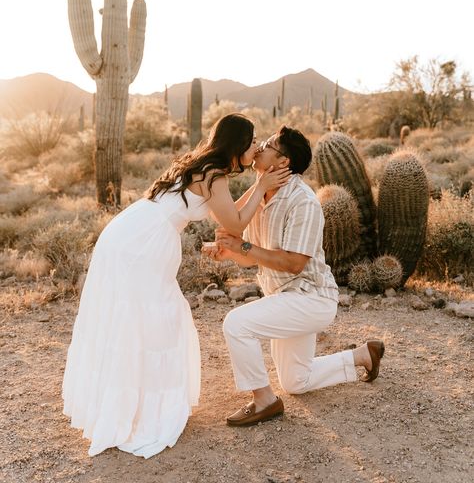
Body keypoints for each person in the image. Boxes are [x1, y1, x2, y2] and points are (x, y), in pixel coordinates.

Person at [62, 113, 291, 457]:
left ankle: (131, 404)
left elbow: (228, 213)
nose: (257, 145)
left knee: (142, 317)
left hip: (132, 231)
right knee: (155, 318)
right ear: (238, 144)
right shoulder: (215, 175)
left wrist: (257, 187)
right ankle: (142, 411)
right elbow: (237, 223)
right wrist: (261, 185)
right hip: (144, 243)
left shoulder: (204, 166)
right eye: (253, 139)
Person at [203, 125, 385, 426]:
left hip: (310, 298)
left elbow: (293, 263)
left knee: (236, 324)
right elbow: (244, 245)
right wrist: (230, 252)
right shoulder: (261, 194)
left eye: (268, 144)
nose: (259, 147)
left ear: (284, 161)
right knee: (296, 381)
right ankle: (363, 356)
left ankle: (264, 401)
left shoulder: (302, 201)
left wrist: (243, 245)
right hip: (285, 298)